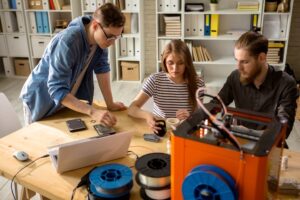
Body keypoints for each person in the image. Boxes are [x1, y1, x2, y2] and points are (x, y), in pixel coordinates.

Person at [20, 3, 126, 126]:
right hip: (40, 100)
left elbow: (102, 68)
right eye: (110, 37)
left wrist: (110, 103)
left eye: (117, 37)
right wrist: (92, 112)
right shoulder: (68, 42)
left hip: (64, 100)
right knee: (37, 141)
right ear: (95, 26)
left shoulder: (101, 41)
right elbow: (56, 88)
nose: (112, 42)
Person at [216, 31, 298, 147]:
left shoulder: (286, 84)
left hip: (270, 146)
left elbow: (284, 129)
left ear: (262, 58)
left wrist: (245, 132)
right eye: (237, 60)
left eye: (245, 62)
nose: (239, 68)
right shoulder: (235, 77)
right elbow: (216, 103)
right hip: (239, 141)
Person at [128, 39, 205, 133]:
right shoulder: (155, 80)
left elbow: (201, 116)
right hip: (161, 131)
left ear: (187, 63)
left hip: (185, 132)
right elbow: (132, 108)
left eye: (181, 63)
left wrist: (190, 117)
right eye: (170, 63)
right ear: (164, 62)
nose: (175, 68)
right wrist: (147, 115)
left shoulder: (198, 83)